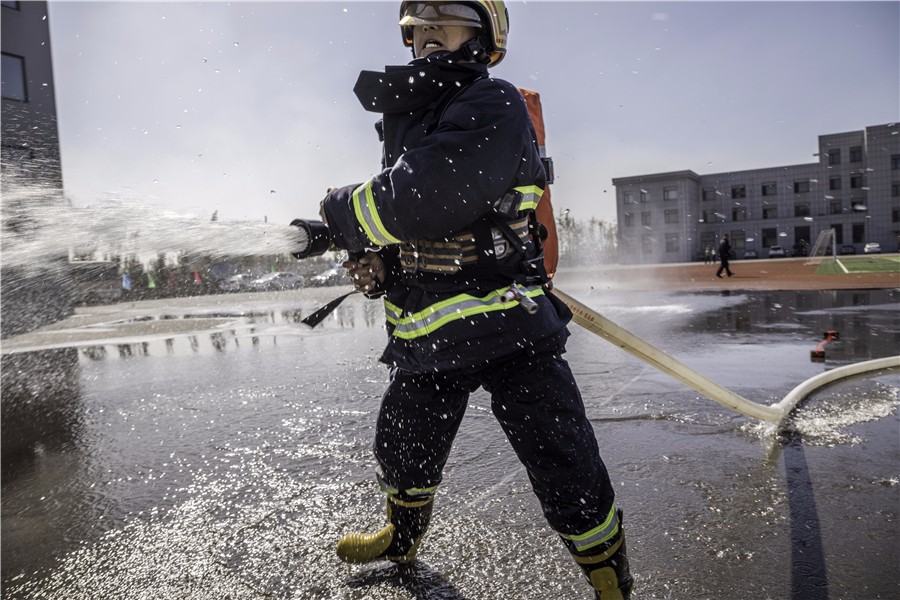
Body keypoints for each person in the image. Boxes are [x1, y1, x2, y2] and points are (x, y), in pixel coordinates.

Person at [317, 3, 632, 598]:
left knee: (564, 462)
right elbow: (420, 229)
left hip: (511, 330)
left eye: (448, 10)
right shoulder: (415, 116)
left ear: (484, 32)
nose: (428, 24)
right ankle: (401, 537)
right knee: (402, 448)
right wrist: (383, 264)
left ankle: (608, 575)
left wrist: (338, 212)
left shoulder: (492, 102)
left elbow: (428, 195)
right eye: (417, 17)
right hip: (429, 338)